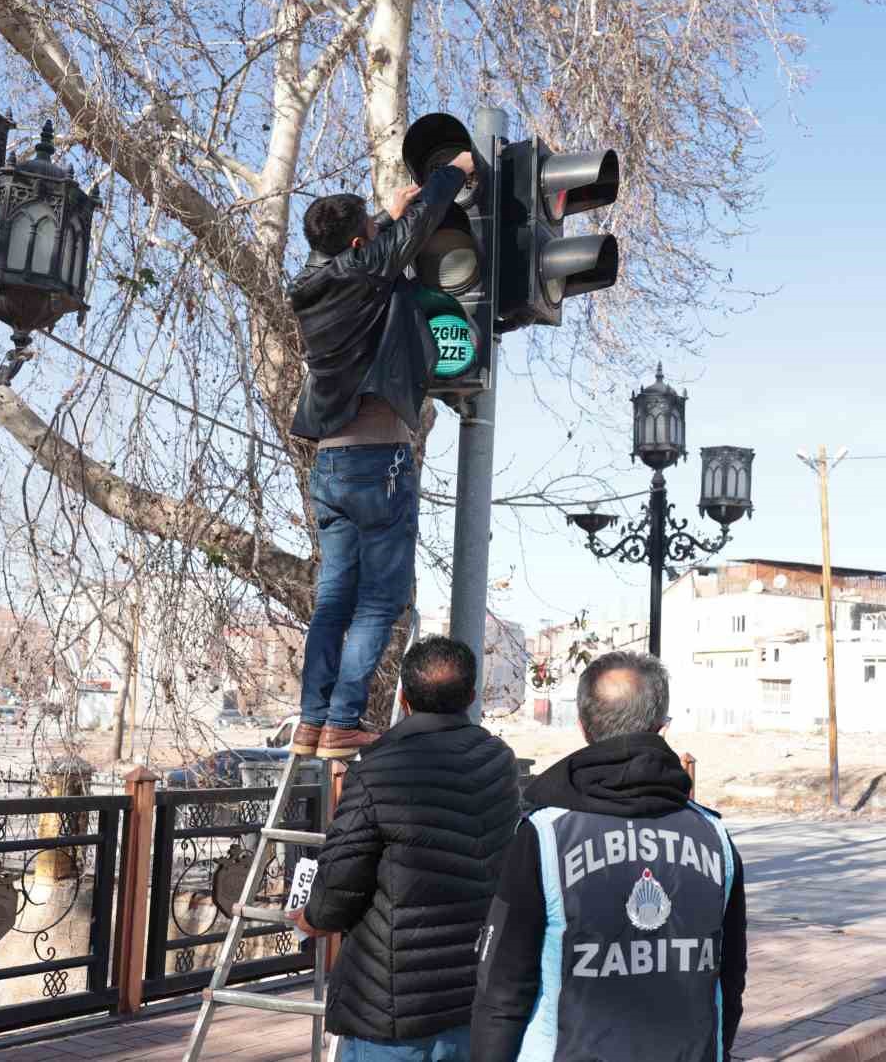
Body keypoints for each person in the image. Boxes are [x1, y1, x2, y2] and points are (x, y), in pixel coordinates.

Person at [286, 150, 476, 759]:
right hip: (378, 462)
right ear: (358, 238)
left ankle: (312, 722)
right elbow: (411, 235)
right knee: (380, 599)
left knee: (334, 597)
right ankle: (343, 720)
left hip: (332, 464)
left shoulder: (313, 285)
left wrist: (382, 222)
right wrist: (453, 172)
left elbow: (372, 256)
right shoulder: (363, 271)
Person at [470, 652, 748, 1062]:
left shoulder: (545, 836)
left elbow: (501, 988)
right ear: (661, 728)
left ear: (583, 726)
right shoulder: (714, 837)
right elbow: (731, 980)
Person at [293, 636, 519, 1062]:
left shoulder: (378, 768)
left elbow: (341, 878)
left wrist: (312, 917)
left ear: (403, 697)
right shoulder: (499, 762)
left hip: (391, 1009)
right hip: (473, 996)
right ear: (471, 697)